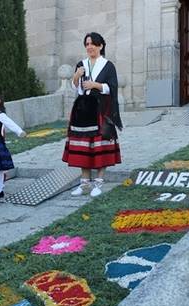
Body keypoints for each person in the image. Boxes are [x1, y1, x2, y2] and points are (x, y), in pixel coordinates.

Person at [63, 32, 122, 197]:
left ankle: (99, 183)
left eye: (93, 44)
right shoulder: (81, 64)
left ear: (101, 46)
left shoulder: (108, 65)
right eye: (87, 44)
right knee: (83, 147)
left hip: (101, 109)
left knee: (100, 146)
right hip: (83, 110)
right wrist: (76, 75)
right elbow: (77, 87)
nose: (89, 47)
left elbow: (112, 87)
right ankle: (84, 184)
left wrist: (96, 85)